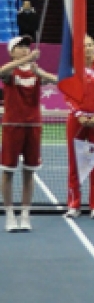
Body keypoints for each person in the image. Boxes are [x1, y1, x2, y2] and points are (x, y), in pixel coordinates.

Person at [1, 36, 57, 232]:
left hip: (33, 125)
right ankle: (9, 214)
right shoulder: (10, 71)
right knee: (7, 171)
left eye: (27, 46)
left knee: (29, 171)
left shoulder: (34, 72)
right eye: (20, 46)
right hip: (12, 125)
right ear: (11, 52)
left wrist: (39, 71)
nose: (25, 49)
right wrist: (25, 61)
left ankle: (25, 214)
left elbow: (58, 81)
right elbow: (2, 72)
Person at [65, 36, 94, 219]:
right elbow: (68, 94)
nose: (88, 48)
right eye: (84, 46)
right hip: (76, 121)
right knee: (74, 163)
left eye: (90, 45)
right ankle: (74, 204)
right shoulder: (72, 69)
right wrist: (79, 114)